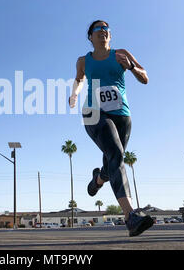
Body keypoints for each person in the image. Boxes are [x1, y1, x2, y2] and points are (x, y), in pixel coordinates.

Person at [69, 20, 153, 237]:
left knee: (114, 159)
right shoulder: (83, 60)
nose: (103, 31)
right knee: (115, 153)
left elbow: (145, 79)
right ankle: (131, 216)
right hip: (94, 113)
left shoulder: (121, 53)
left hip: (122, 115)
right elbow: (79, 79)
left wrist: (132, 66)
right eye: (98, 28)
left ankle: (99, 178)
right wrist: (75, 93)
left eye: (106, 29)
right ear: (90, 37)